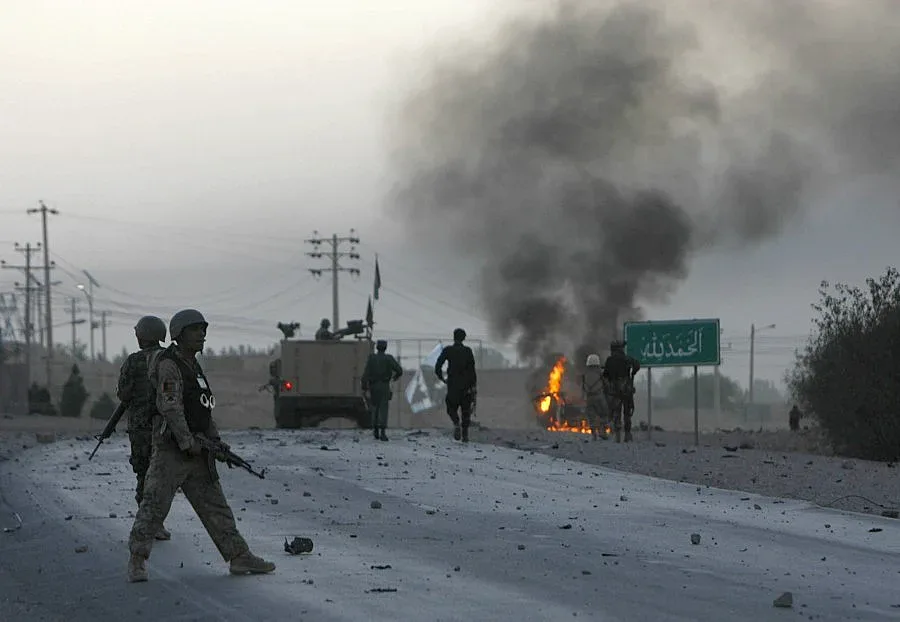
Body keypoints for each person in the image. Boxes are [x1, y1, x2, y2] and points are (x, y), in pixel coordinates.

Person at [127, 309, 275, 582]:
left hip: (197, 448)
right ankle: (137, 560)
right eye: (196, 330)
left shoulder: (192, 366)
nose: (202, 335)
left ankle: (239, 556)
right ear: (180, 334)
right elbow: (169, 406)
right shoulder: (169, 364)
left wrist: (215, 442)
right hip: (172, 450)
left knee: (215, 505)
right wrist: (186, 441)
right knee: (154, 505)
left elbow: (203, 409)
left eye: (203, 330)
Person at [116, 315, 171, 541]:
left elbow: (123, 394)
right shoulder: (170, 358)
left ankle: (146, 522)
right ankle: (156, 523)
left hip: (140, 428)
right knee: (162, 475)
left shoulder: (134, 361)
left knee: (143, 473)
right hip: (166, 426)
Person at [434, 328, 478, 442]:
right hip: (466, 386)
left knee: (450, 407)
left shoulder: (448, 350)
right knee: (466, 410)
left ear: (454, 337)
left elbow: (438, 366)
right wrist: (473, 386)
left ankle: (456, 423)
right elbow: (472, 370)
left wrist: (442, 378)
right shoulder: (468, 351)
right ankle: (465, 435)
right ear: (463, 338)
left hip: (453, 384)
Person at [361, 339, 403, 441]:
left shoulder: (371, 358)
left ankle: (375, 429)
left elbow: (365, 374)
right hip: (384, 385)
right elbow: (399, 370)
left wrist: (364, 387)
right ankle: (383, 432)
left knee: (374, 407)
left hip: (373, 386)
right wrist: (395, 377)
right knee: (383, 408)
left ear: (377, 347)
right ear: (385, 348)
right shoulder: (388, 358)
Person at [603, 340, 640, 443]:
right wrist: (632, 374)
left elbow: (605, 376)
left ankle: (618, 436)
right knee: (627, 413)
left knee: (617, 413)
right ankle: (627, 435)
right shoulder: (627, 358)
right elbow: (637, 365)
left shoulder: (610, 360)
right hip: (626, 390)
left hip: (615, 391)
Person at [581, 353, 608, 441]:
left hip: (589, 398)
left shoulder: (584, 374)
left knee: (591, 416)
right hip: (599, 396)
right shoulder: (600, 373)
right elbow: (606, 384)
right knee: (604, 414)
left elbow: (583, 387)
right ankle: (602, 432)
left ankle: (594, 435)